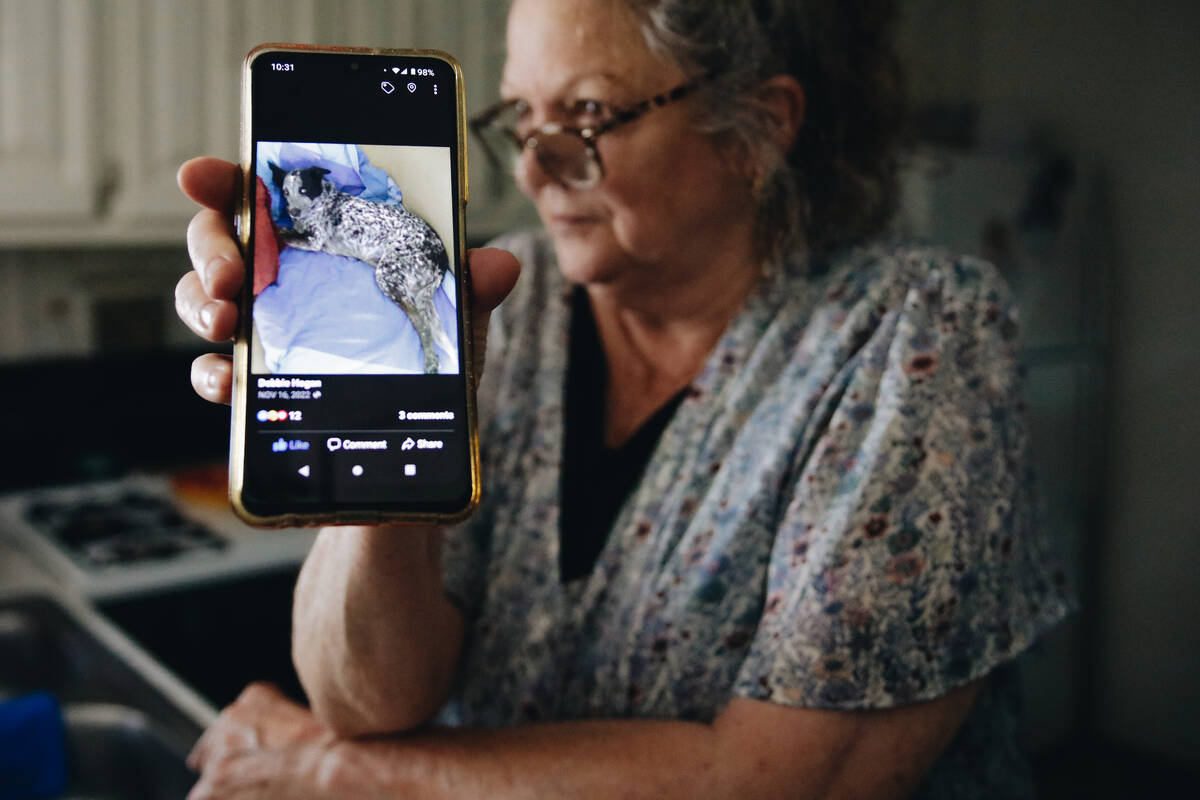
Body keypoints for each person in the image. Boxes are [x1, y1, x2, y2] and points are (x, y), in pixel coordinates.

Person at [176, 0, 1073, 797]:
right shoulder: (507, 302)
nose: (532, 169)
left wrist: (340, 775)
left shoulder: (914, 333)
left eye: (586, 115)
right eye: (522, 117)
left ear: (756, 126)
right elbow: (365, 700)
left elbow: (788, 779)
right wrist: (370, 390)